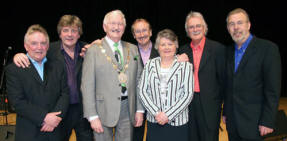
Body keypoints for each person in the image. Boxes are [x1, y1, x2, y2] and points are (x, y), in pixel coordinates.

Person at [12, 15, 94, 141]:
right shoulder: (48, 49)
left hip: (83, 110)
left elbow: (104, 46)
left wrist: (97, 43)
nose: (70, 34)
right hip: (59, 111)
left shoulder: (88, 50)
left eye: (74, 31)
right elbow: (32, 53)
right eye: (65, 30)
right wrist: (17, 55)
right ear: (60, 33)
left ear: (79, 34)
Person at [81, 9, 144, 141]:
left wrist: (139, 110)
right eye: (112, 23)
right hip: (101, 110)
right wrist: (92, 116)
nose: (116, 27)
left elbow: (139, 82)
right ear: (105, 27)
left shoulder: (133, 49)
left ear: (124, 27)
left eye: (120, 24)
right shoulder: (93, 50)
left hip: (128, 108)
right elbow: (87, 86)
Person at [223, 8, 281, 141]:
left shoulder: (268, 49)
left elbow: (272, 89)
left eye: (240, 23)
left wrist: (268, 120)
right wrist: (226, 111)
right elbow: (229, 85)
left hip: (255, 123)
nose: (236, 27)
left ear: (248, 25)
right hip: (232, 123)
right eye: (232, 24)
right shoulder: (227, 51)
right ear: (228, 28)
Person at [5, 24, 70, 141]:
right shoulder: (14, 69)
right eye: (34, 43)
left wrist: (55, 118)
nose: (39, 47)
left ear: (48, 46)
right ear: (26, 46)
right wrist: (44, 117)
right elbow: (17, 102)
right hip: (29, 133)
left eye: (43, 43)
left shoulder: (58, 66)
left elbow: (65, 94)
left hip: (55, 131)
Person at [177, 11, 226, 141]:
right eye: (191, 27)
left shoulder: (218, 49)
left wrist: (224, 108)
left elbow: (223, 80)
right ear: (187, 31)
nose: (195, 29)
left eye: (198, 26)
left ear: (204, 28)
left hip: (210, 105)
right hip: (189, 103)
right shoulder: (183, 50)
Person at [138, 29, 193, 141]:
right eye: (163, 44)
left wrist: (167, 115)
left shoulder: (186, 66)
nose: (167, 47)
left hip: (178, 123)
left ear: (176, 46)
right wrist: (156, 113)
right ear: (158, 47)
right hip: (155, 121)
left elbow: (188, 94)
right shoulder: (150, 64)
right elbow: (142, 90)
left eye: (170, 44)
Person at [131, 18, 159, 141]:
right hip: (136, 103)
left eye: (144, 30)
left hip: (158, 104)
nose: (142, 34)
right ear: (133, 35)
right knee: (135, 137)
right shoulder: (128, 52)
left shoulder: (162, 50)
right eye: (138, 31)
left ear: (151, 32)